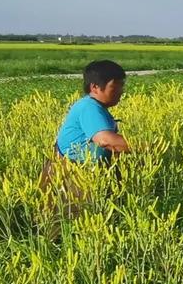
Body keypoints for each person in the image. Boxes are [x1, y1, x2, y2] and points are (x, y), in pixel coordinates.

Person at [41, 60, 131, 222]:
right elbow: (104, 140)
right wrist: (146, 148)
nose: (121, 91)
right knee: (69, 223)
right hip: (70, 174)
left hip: (83, 172)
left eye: (122, 85)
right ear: (95, 87)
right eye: (115, 85)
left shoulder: (96, 108)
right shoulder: (89, 107)